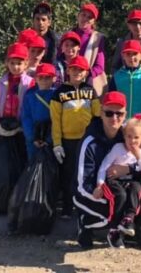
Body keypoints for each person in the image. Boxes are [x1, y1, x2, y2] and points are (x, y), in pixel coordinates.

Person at [74, 92, 141, 250]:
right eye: (109, 113)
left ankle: (135, 229)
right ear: (101, 112)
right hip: (92, 191)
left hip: (119, 186)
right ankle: (85, 223)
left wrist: (128, 168)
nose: (114, 118)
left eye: (119, 114)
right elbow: (81, 185)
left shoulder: (129, 134)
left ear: (125, 114)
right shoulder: (90, 142)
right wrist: (100, 193)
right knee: (115, 207)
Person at [94, 115, 141, 246]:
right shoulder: (118, 148)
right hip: (113, 181)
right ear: (124, 136)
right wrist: (100, 184)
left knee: (137, 188)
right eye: (129, 136)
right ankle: (113, 230)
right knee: (121, 195)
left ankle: (128, 220)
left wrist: (138, 156)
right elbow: (104, 166)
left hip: (129, 181)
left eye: (136, 138)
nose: (132, 141)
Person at [50, 55, 101, 219]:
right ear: (68, 71)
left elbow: (98, 115)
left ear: (86, 72)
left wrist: (97, 138)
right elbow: (55, 121)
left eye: (81, 70)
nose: (77, 72)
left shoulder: (91, 91)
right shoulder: (59, 93)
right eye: (74, 69)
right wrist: (57, 143)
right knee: (68, 175)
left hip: (87, 140)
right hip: (67, 141)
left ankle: (85, 207)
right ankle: (67, 207)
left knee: (86, 174)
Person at [109, 39, 141, 121]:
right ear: (123, 56)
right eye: (128, 54)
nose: (132, 57)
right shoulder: (117, 77)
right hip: (121, 122)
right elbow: (111, 101)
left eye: (135, 54)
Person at [21, 63, 56, 163]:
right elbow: (26, 117)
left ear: (54, 79)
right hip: (33, 136)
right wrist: (32, 137)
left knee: (51, 164)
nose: (44, 80)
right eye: (41, 77)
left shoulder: (57, 94)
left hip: (51, 134)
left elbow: (58, 118)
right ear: (36, 78)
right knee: (33, 163)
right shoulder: (29, 95)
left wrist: (49, 139)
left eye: (47, 77)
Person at [71, 3, 107, 95]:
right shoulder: (69, 35)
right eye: (83, 15)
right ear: (78, 16)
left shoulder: (97, 39)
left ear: (93, 21)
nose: (85, 19)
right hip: (67, 81)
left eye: (89, 17)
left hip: (87, 84)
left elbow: (99, 67)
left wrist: (85, 74)